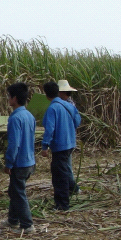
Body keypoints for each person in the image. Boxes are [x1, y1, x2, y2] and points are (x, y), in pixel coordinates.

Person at [41, 81, 81, 211]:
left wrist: (45, 146)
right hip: (70, 143)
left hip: (60, 145)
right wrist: (68, 129)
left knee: (59, 175)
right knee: (64, 170)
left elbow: (50, 129)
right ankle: (70, 193)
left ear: (46, 95)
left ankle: (62, 204)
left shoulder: (52, 108)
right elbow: (77, 121)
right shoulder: (68, 105)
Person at [2, 82, 36, 234]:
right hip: (29, 160)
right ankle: (12, 220)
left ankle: (27, 225)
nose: (8, 99)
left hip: (19, 163)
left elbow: (14, 144)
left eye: (9, 96)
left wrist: (9, 163)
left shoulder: (15, 118)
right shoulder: (29, 116)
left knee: (18, 193)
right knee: (14, 190)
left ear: (14, 98)